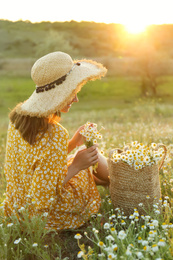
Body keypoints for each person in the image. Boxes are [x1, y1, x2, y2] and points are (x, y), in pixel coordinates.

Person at [3, 51, 109, 230]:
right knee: (88, 161)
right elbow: (42, 197)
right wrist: (76, 166)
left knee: (74, 158)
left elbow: (39, 163)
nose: (76, 99)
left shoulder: (17, 120)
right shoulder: (55, 134)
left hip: (17, 210)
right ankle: (113, 180)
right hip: (46, 216)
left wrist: (74, 143)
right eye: (71, 92)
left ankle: (104, 179)